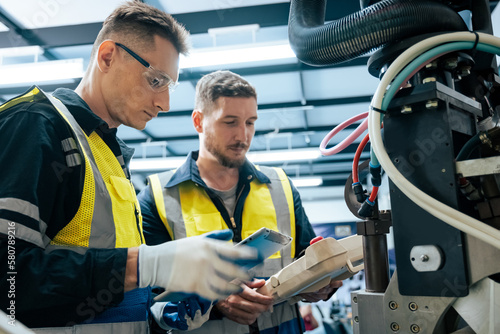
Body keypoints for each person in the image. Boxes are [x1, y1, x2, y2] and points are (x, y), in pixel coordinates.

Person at [0, 3, 260, 332]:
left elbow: (92, 296)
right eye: (156, 80)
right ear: (108, 56)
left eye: (170, 86)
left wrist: (150, 313)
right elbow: (8, 276)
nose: (164, 103)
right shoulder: (35, 126)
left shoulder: (106, 153)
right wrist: (145, 264)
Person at [138, 70, 343, 333]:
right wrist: (215, 302)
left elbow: (307, 261)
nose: (243, 136)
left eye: (250, 122)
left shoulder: (280, 186)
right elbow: (148, 294)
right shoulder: (157, 197)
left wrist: (320, 286)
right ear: (198, 121)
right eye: (230, 122)